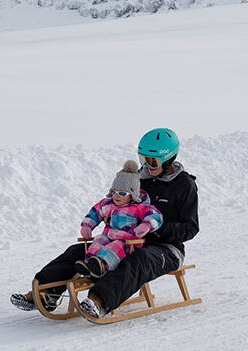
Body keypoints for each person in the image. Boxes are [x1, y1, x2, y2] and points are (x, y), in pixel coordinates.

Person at [11, 128, 200, 319]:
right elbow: (116, 200)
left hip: (165, 248)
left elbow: (191, 228)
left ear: (168, 159)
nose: (147, 166)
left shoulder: (184, 185)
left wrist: (154, 230)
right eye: (143, 159)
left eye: (153, 162)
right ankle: (44, 293)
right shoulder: (137, 179)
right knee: (78, 251)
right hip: (123, 241)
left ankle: (99, 301)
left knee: (138, 260)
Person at [75, 161, 163, 278]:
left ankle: (102, 264)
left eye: (122, 193)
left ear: (133, 194)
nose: (116, 196)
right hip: (108, 236)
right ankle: (89, 263)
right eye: (114, 192)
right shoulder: (108, 204)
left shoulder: (139, 207)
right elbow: (95, 212)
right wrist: (87, 225)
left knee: (115, 247)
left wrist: (146, 225)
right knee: (98, 242)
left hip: (127, 242)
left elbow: (156, 216)